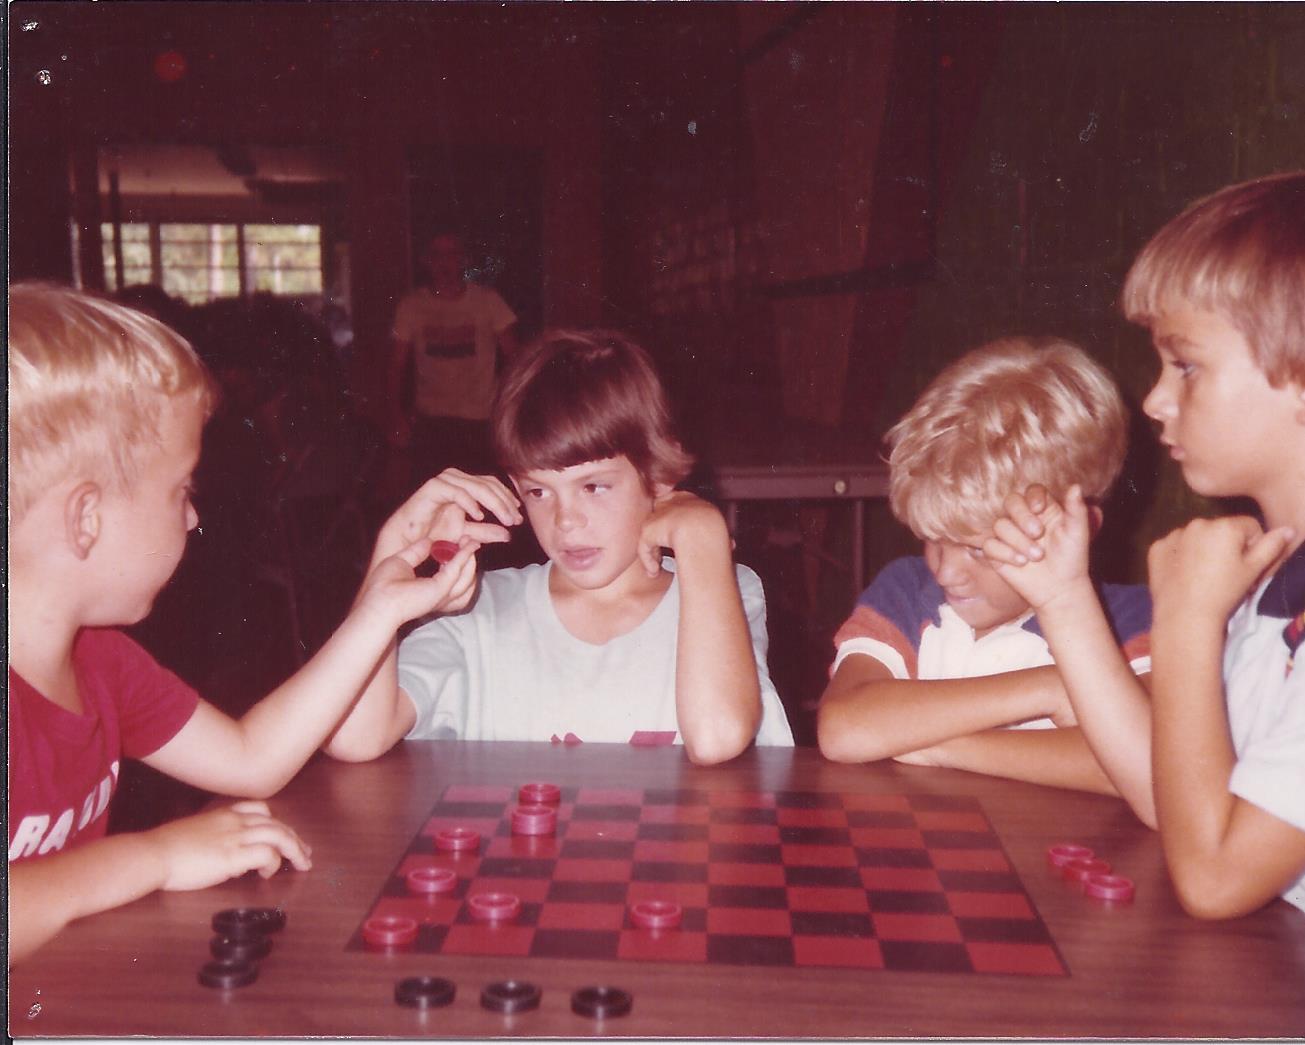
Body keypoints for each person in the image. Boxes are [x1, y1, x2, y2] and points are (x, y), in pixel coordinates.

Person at [983, 171, 1305, 1037]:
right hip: (1271, 974)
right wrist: (1064, 599)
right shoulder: (1285, 566)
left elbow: (1213, 876)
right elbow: (1175, 798)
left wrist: (1184, 624)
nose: (1154, 398)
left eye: (1186, 364)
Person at [7, 283, 521, 965]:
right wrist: (156, 854)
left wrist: (383, 594)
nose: (193, 516)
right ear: (86, 518)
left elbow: (252, 757)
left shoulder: (103, 662)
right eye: (181, 490)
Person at [326, 328, 795, 765]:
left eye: (593, 487)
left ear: (659, 476)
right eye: (538, 492)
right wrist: (390, 558)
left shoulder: (717, 590)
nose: (565, 520)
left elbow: (717, 736)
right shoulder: (478, 610)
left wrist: (704, 535)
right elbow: (353, 736)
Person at [816, 337, 1152, 799]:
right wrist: (1049, 688)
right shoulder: (906, 591)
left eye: (978, 549)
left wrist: (942, 745)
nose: (947, 572)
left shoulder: (1128, 623)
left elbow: (1139, 769)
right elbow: (844, 728)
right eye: (934, 538)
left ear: (1078, 529)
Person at [387, 230, 521, 482]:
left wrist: (509, 415)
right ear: (426, 261)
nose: (444, 262)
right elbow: (396, 366)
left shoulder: (488, 301)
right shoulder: (411, 306)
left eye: (452, 254)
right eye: (437, 255)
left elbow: (515, 361)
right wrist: (397, 416)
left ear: (463, 260)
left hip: (481, 422)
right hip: (431, 423)